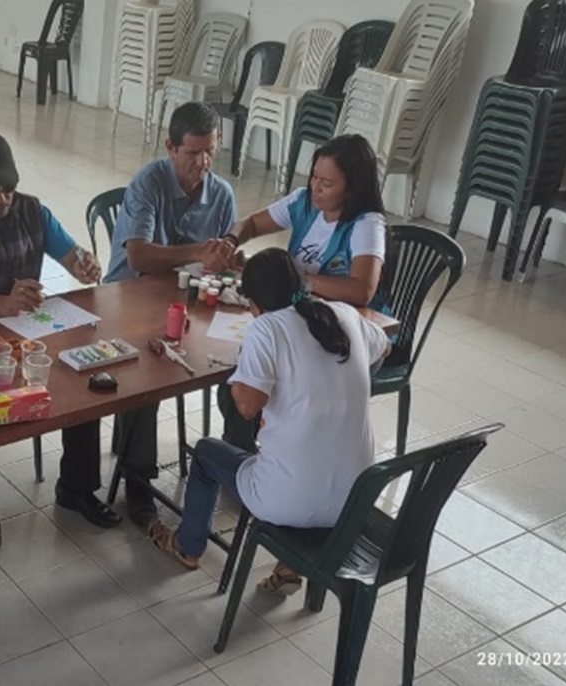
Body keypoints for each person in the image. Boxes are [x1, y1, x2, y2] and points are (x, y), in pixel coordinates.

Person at [155, 248, 389, 594]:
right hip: (355, 500)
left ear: (253, 304)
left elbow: (247, 407)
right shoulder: (343, 314)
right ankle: (290, 563)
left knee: (205, 453)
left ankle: (187, 547)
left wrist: (243, 373)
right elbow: (383, 349)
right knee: (306, 460)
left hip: (289, 499)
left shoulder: (265, 329)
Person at [0, 129, 120, 550]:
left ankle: (76, 487)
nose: (2, 199)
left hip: (30, 333)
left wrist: (84, 265)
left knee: (81, 379)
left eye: (8, 188)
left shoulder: (33, 212)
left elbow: (71, 254)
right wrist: (3, 304)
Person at [103, 102, 238, 530]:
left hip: (188, 303)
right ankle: (138, 481)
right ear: (170, 147)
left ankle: (240, 462)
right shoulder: (149, 182)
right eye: (193, 153)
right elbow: (139, 256)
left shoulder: (221, 195)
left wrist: (230, 263)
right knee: (146, 375)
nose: (203, 163)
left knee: (244, 358)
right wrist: (198, 252)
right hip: (128, 299)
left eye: (210, 151)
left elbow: (225, 259)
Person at [219, 133, 389, 453]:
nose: (316, 188)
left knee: (253, 385)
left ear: (352, 187)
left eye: (327, 183)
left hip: (344, 333)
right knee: (243, 373)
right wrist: (231, 240)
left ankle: (255, 456)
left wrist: (297, 279)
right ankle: (252, 453)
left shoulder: (366, 224)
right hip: (300, 320)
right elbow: (251, 224)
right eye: (314, 177)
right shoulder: (303, 202)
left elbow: (362, 290)